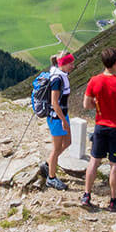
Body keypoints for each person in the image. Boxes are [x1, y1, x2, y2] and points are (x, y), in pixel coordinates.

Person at [80, 49, 116, 211]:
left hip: (100, 126)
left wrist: (98, 106)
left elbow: (86, 105)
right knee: (114, 164)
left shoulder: (94, 80)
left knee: (94, 161)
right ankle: (113, 200)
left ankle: (86, 195)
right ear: (115, 64)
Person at [31, 51, 74, 190]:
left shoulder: (61, 74)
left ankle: (48, 164)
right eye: (70, 63)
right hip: (56, 117)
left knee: (68, 142)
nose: (73, 66)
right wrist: (63, 120)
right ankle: (51, 178)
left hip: (61, 115)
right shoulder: (57, 79)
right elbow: (55, 103)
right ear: (63, 64)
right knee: (56, 149)